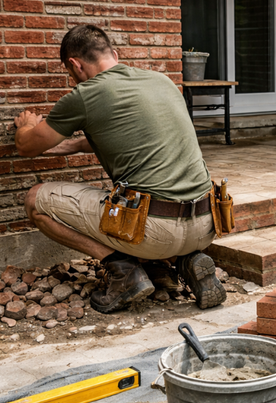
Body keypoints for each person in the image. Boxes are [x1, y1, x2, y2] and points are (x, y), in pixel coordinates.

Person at [13, 24, 223, 314]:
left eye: (69, 73)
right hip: (206, 224)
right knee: (137, 198)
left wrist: (26, 125)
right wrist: (72, 146)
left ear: (74, 65)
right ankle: (188, 261)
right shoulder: (162, 82)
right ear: (113, 53)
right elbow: (123, 134)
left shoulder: (86, 94)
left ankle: (123, 271)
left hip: (154, 230)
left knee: (36, 200)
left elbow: (27, 146)